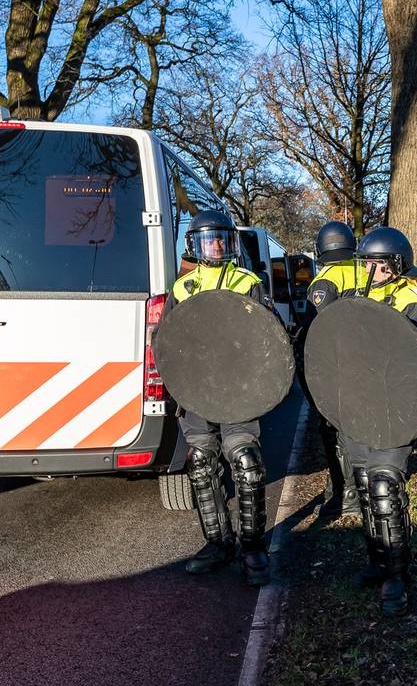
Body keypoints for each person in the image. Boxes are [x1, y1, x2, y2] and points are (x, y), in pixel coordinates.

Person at [168, 210, 273, 586]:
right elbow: (168, 342)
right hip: (197, 389)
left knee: (245, 460)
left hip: (238, 388)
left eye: (220, 238)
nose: (214, 245)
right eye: (207, 239)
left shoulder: (247, 283)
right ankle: (217, 542)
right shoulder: (183, 288)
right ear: (194, 245)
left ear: (229, 242)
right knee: (200, 461)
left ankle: (253, 546)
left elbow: (267, 338)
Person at [342, 226, 417, 617]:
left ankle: (397, 576)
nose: (369, 270)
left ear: (396, 266)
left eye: (376, 264)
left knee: (385, 486)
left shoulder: (413, 302)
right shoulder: (354, 298)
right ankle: (377, 560)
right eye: (365, 263)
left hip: (392, 409)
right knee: (365, 484)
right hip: (357, 408)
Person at [302, 221, 363, 517]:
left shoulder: (324, 281)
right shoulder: (365, 271)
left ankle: (347, 494)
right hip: (365, 363)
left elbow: (319, 328)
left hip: (336, 365)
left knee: (334, 428)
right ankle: (339, 485)